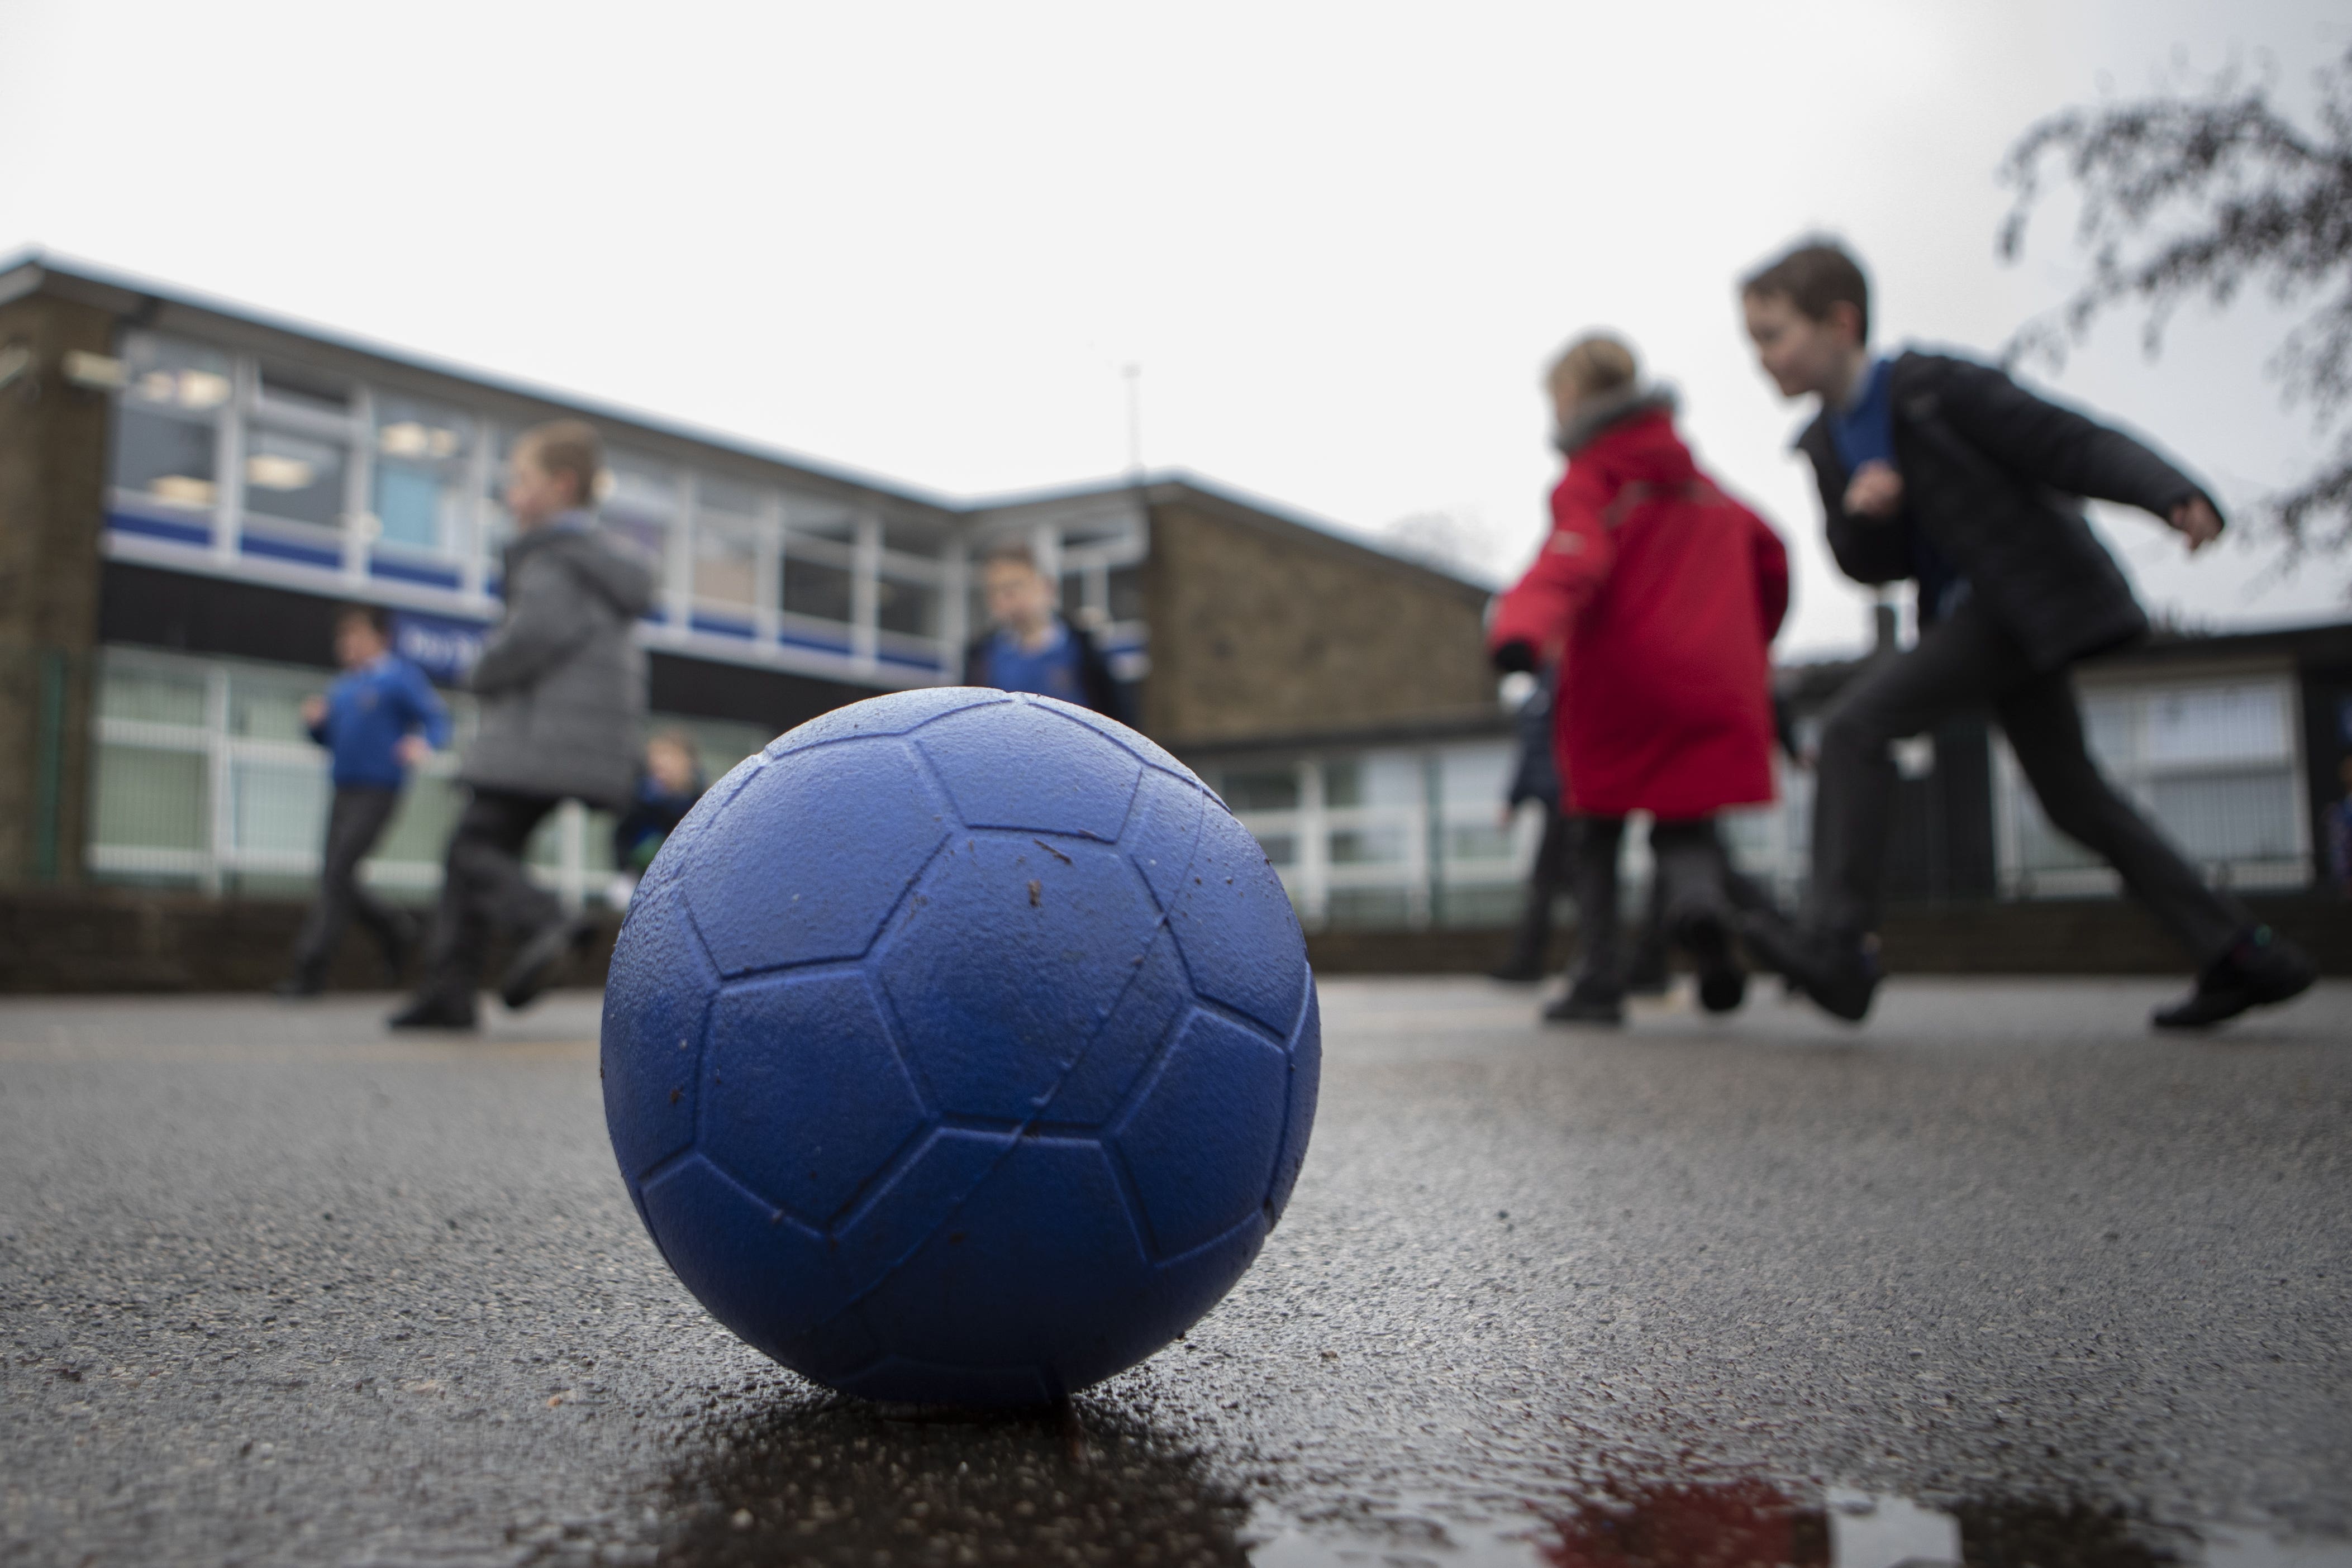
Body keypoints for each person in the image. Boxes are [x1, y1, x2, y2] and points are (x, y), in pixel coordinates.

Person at [1736, 239, 2314, 1029]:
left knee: (1852, 728)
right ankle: (2243, 952)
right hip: (1976, 620)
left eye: (1772, 335)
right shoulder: (1826, 442)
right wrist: (1865, 517)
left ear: (1838, 322)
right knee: (2072, 797)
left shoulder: (1931, 387)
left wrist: (2165, 490)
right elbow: (1863, 566)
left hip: (2020, 601)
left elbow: (2061, 439)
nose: (1760, 357)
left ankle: (1839, 945)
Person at [1489, 334, 1791, 1026]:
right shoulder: (1704, 487)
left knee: (1595, 834)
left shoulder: (1593, 481)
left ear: (1569, 402)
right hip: (1714, 684)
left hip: (1624, 687)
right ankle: (1701, 916)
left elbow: (1571, 560)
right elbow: (1772, 558)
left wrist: (1520, 631)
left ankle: (1599, 981)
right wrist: (1746, 643)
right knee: (1685, 829)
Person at [390, 419, 653, 1031]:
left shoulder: (556, 558)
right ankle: (449, 992)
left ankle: (544, 921)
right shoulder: (602, 566)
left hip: (540, 737)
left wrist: (479, 670)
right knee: (474, 854)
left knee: (472, 845)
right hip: (579, 739)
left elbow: (531, 636)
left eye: (520, 480)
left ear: (560, 486)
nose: (511, 494)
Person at [274, 604, 449, 997]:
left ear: (380, 639)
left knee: (338, 871)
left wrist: (424, 742)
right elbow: (328, 739)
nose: (347, 645)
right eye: (343, 638)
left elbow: (437, 719)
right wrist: (314, 724)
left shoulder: (399, 679)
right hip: (343, 788)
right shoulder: (343, 687)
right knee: (334, 876)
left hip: (379, 789)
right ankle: (396, 929)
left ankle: (310, 972)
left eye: (355, 636)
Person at [963, 544, 1130, 721]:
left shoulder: (1083, 648)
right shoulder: (980, 657)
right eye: (995, 591)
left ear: (1046, 587)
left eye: (1015, 586)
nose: (1005, 598)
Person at [1489, 664, 1575, 983]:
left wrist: (1513, 800)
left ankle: (1527, 963)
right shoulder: (1543, 685)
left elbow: (1535, 753)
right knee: (1571, 882)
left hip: (1568, 801)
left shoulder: (1548, 688)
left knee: (1551, 883)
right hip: (1567, 801)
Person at [607, 729, 706, 907]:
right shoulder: (639, 802)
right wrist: (626, 874)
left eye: (669, 756)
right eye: (657, 758)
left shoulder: (704, 803)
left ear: (688, 762)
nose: (660, 765)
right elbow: (621, 839)